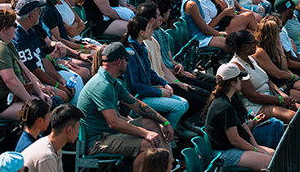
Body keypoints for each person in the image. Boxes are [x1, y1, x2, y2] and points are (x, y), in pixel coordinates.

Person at [77, 42, 174, 172]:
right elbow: (114, 123)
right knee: (148, 144)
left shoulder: (112, 82)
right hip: (97, 141)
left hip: (109, 134)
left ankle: (169, 165)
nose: (128, 63)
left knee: (151, 123)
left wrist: (164, 122)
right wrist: (146, 133)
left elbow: (137, 105)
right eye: (127, 59)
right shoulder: (102, 85)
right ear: (118, 62)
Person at [0, 8, 52, 120]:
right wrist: (30, 102)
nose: (17, 28)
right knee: (36, 113)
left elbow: (24, 69)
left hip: (7, 98)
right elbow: (11, 81)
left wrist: (40, 92)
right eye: (14, 25)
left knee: (48, 103)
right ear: (4, 30)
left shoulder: (6, 43)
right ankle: (31, 137)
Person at [204, 63, 274, 171]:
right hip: (223, 153)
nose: (241, 81)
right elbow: (235, 140)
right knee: (269, 162)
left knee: (275, 154)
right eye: (239, 79)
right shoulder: (223, 107)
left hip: (233, 148)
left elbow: (243, 126)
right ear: (232, 83)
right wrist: (255, 150)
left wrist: (257, 147)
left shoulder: (232, 99)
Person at [123, 15, 189, 130]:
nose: (151, 31)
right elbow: (136, 86)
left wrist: (164, 83)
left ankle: (167, 130)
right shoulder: (131, 53)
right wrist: (160, 93)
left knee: (184, 103)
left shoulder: (141, 47)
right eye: (148, 28)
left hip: (148, 91)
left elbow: (149, 71)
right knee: (180, 106)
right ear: (141, 32)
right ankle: (168, 133)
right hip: (139, 98)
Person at [13, 0, 82, 104]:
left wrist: (61, 80)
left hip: (43, 76)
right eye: (38, 11)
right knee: (63, 95)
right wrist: (58, 85)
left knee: (72, 85)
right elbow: (35, 71)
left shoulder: (30, 30)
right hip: (32, 83)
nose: (40, 13)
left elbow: (44, 60)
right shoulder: (19, 38)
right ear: (31, 16)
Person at [227, 30, 295, 124]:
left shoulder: (251, 59)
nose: (257, 44)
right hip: (255, 107)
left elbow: (269, 82)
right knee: (292, 116)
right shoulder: (236, 67)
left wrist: (283, 96)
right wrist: (281, 100)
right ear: (246, 46)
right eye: (254, 42)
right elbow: (253, 96)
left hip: (271, 96)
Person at [22, 104, 85, 172]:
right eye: (78, 127)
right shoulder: (47, 156)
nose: (78, 132)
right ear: (69, 130)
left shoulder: (56, 148)